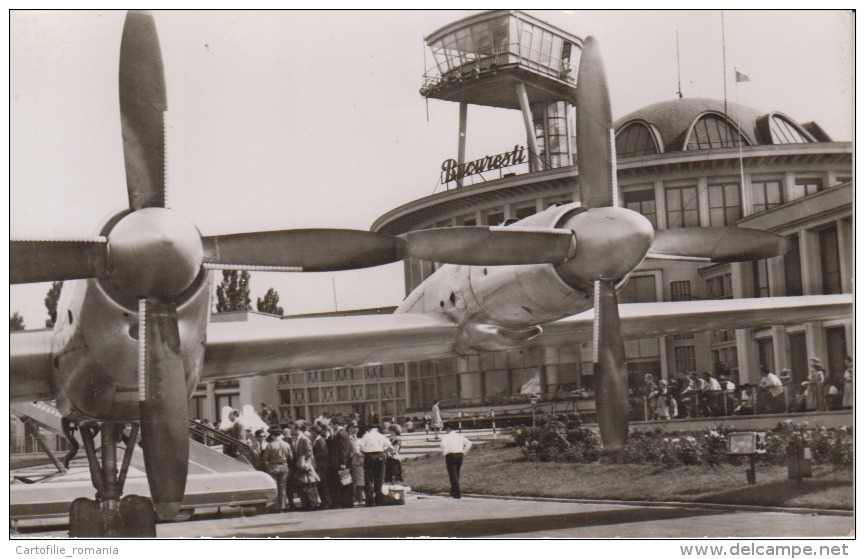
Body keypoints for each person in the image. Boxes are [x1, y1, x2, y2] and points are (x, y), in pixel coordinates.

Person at [358, 422, 393, 507]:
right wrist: (382, 450)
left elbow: (361, 448)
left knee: (369, 478)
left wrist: (366, 453)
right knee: (379, 478)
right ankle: (378, 500)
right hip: (380, 455)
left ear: (368, 429)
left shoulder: (366, 436)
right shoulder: (381, 436)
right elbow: (391, 448)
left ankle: (370, 501)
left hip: (369, 456)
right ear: (377, 429)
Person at [261, 427, 293, 513]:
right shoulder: (287, 445)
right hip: (284, 466)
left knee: (274, 487)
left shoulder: (270, 445)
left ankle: (275, 506)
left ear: (272, 436)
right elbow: (291, 457)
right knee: (283, 488)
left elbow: (265, 459)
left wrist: (268, 468)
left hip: (273, 466)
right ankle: (282, 507)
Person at [440, 423, 472, 499]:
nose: (446, 431)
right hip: (459, 454)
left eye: (446, 429)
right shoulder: (460, 436)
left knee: (452, 474)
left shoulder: (446, 436)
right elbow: (469, 443)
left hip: (450, 455)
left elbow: (442, 445)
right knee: (457, 473)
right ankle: (453, 491)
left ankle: (457, 493)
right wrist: (464, 452)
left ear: (448, 428)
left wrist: (445, 453)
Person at [328, 418, 354, 508]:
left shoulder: (340, 434)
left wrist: (343, 462)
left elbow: (343, 449)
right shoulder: (344, 433)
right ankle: (347, 502)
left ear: (335, 424)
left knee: (343, 482)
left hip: (341, 462)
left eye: (331, 424)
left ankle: (346, 502)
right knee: (345, 481)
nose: (330, 426)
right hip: (343, 461)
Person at [312, 421, 333, 509]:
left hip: (322, 466)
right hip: (320, 466)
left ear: (315, 432)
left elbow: (324, 452)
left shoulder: (320, 441)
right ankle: (324, 502)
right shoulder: (317, 440)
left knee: (324, 484)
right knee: (321, 484)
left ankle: (327, 503)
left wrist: (314, 457)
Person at [348, 422, 366, 505]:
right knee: (358, 481)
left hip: (358, 461)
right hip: (355, 461)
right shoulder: (350, 438)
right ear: (349, 428)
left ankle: (357, 498)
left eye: (357, 427)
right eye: (353, 427)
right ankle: (356, 498)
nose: (355, 429)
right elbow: (355, 451)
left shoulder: (356, 438)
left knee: (358, 480)